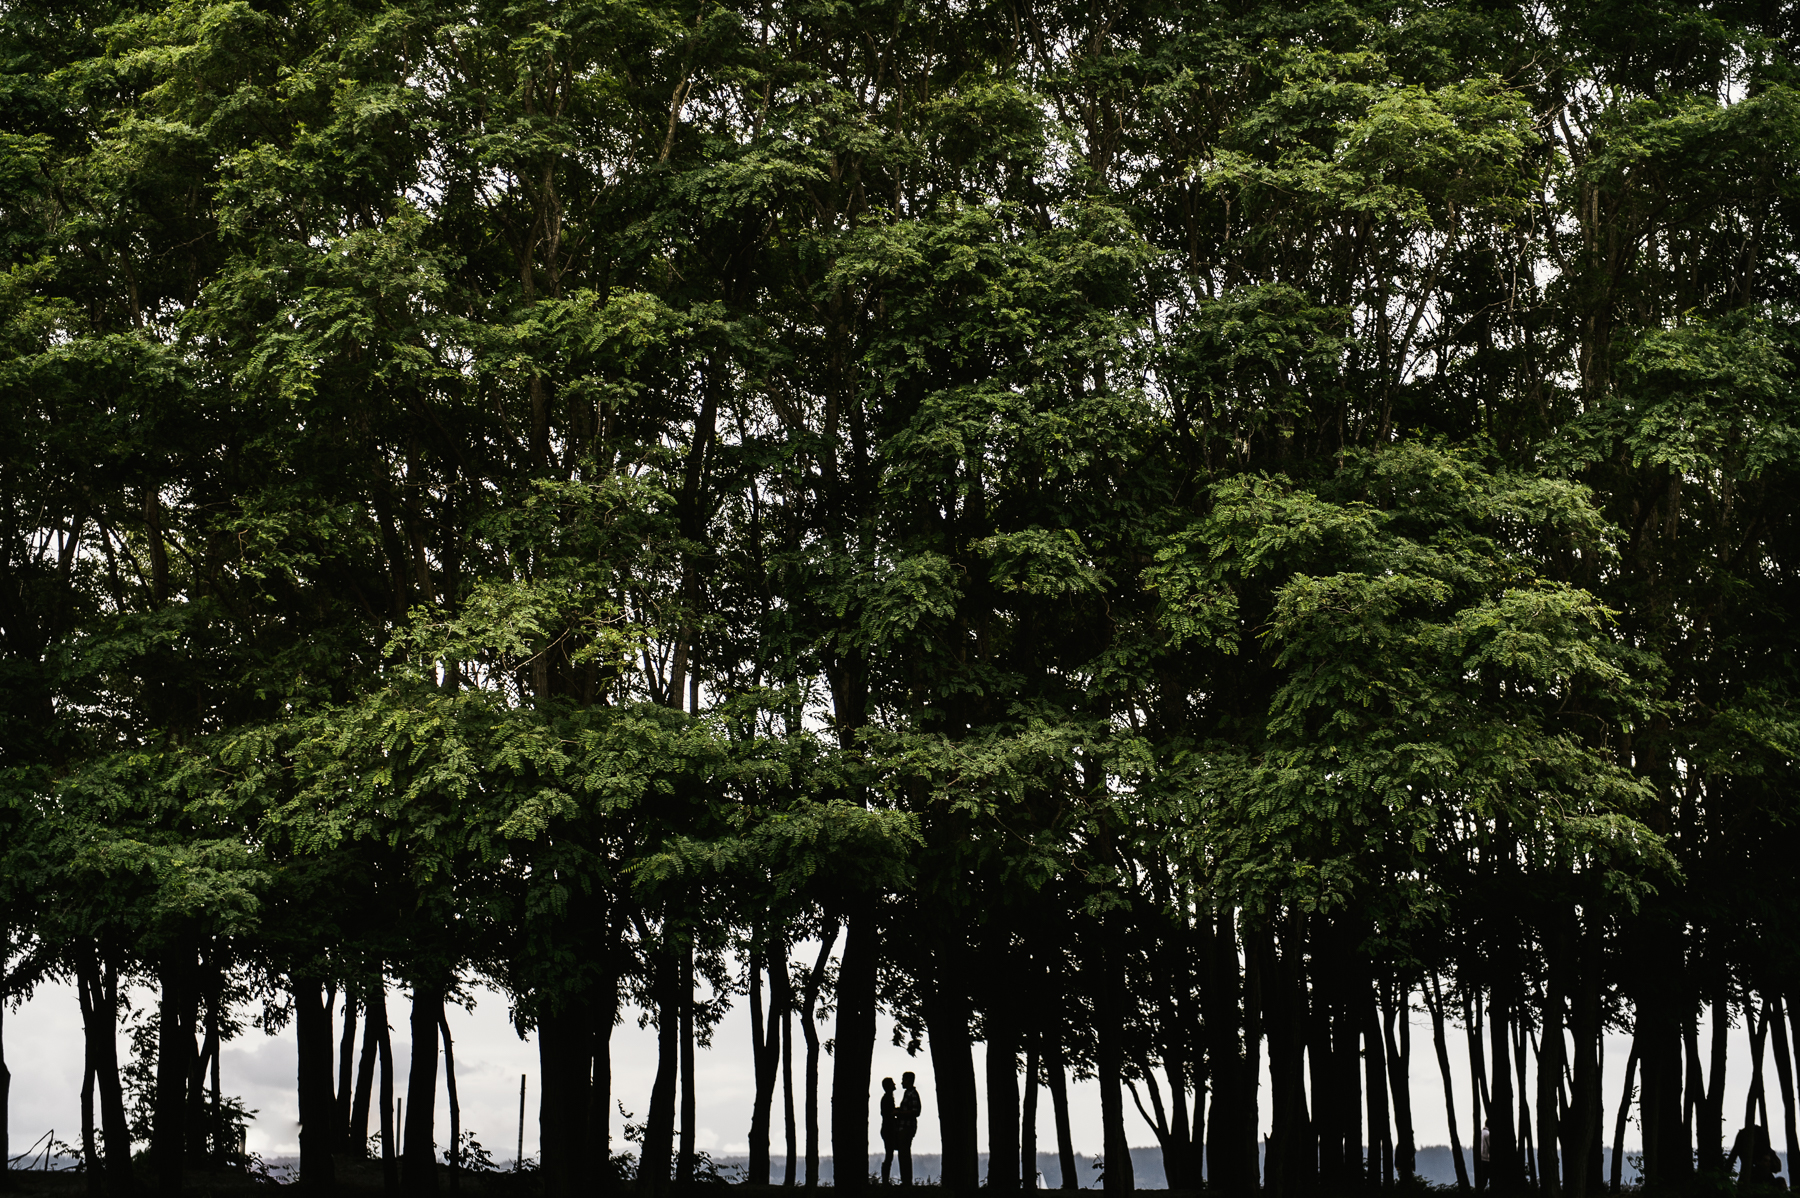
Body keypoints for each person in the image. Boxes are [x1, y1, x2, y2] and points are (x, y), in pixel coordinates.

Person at [894, 1071, 922, 1186]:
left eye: (903, 1079)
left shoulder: (912, 1094)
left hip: (907, 1127)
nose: (901, 1082)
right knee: (903, 1154)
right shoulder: (908, 1093)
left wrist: (899, 1113)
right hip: (905, 1127)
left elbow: (916, 1112)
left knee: (904, 1154)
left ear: (909, 1080)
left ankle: (906, 1181)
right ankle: (906, 1180)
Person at [880, 1078, 900, 1184]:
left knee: (889, 1154)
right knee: (889, 1155)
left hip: (887, 1129)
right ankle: (885, 1180)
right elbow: (888, 1114)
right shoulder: (888, 1098)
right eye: (892, 1083)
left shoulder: (887, 1098)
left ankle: (885, 1180)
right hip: (889, 1130)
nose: (895, 1084)